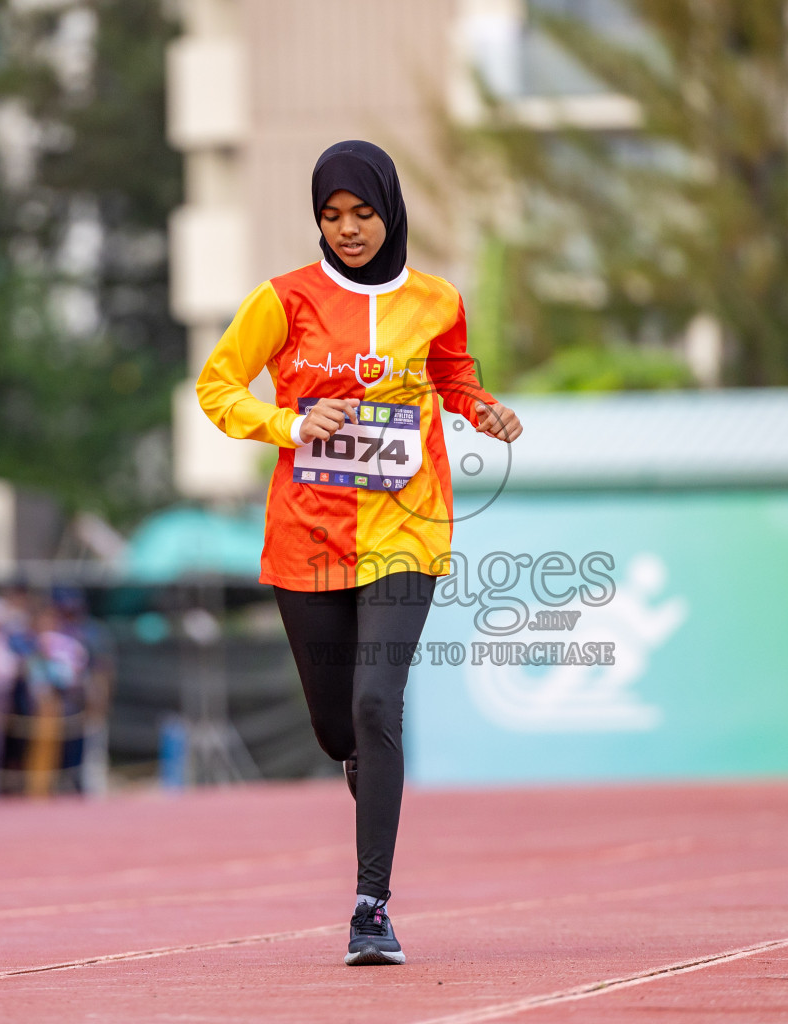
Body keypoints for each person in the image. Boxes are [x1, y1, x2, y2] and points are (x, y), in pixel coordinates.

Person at [196, 140, 521, 965]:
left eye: (362, 213)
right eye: (331, 216)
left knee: (380, 705)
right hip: (307, 537)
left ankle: (370, 907)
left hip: (406, 531)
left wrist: (483, 410)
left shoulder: (437, 299)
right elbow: (217, 384)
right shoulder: (283, 299)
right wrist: (289, 423)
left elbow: (453, 378)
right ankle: (357, 763)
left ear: (390, 210)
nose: (347, 229)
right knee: (337, 724)